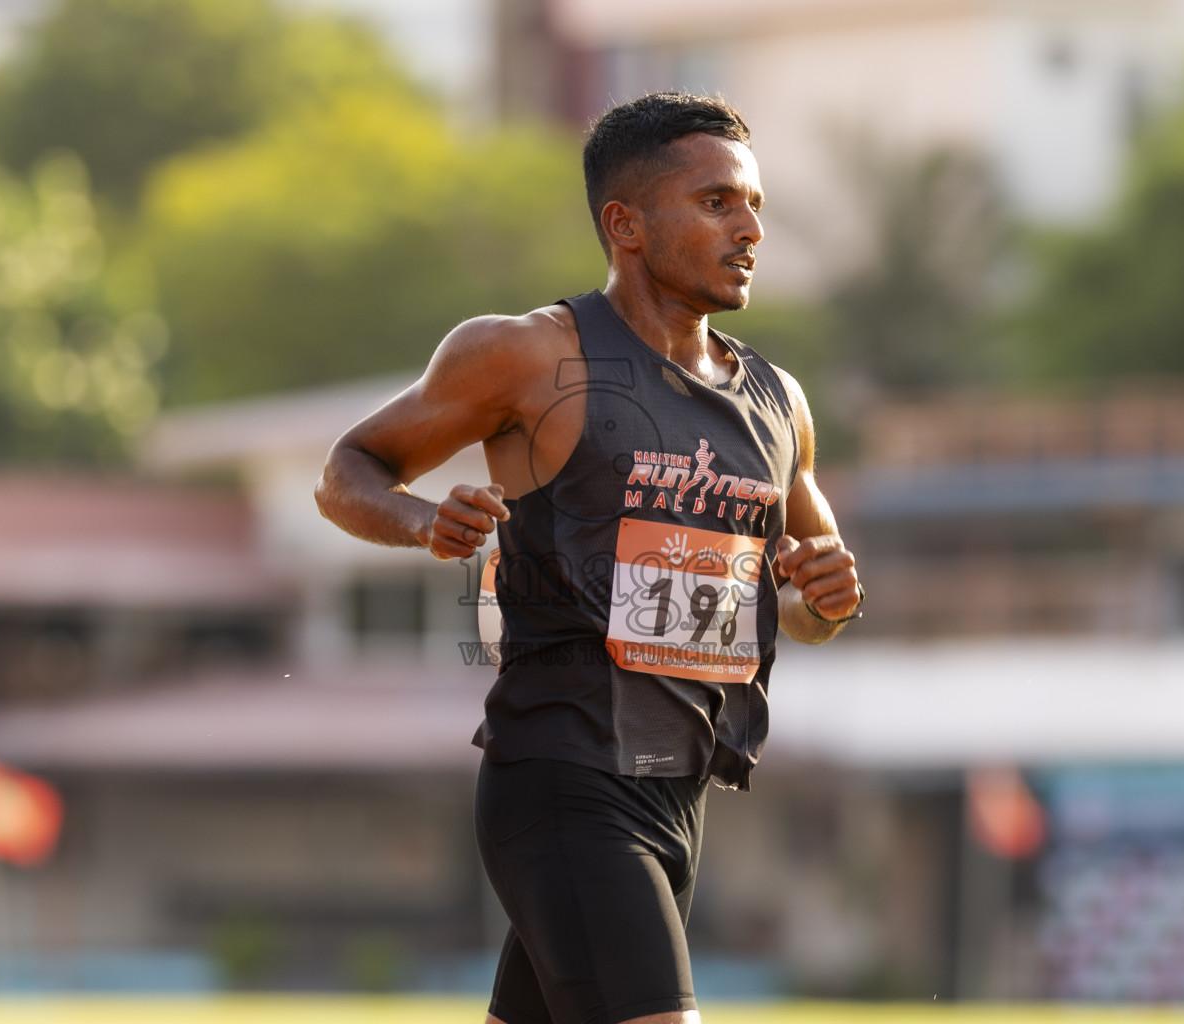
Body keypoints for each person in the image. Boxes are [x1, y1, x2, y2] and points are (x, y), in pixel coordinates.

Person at [315, 92, 861, 1024]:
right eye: (718, 203)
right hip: (563, 778)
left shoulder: (780, 403)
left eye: (756, 205)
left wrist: (828, 595)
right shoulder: (523, 355)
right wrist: (421, 523)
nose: (750, 229)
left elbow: (809, 606)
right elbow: (347, 470)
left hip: (679, 796)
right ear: (628, 224)